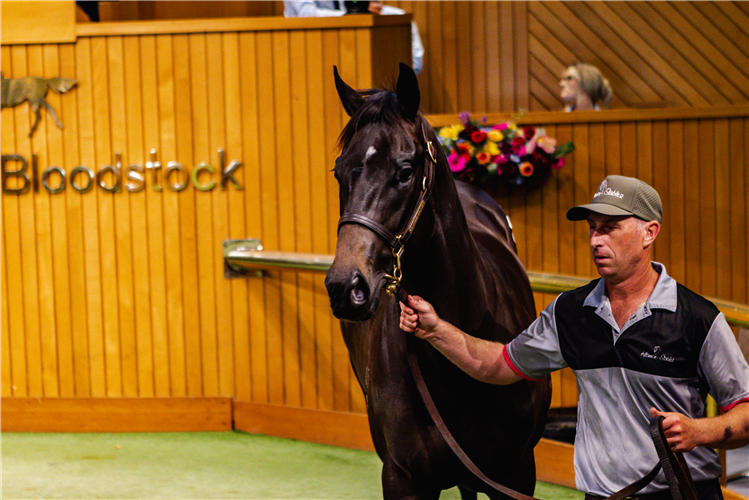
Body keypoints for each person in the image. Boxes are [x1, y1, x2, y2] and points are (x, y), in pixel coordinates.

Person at [400, 174, 749, 500]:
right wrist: (435, 330)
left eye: (610, 228)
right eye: (593, 228)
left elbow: (745, 410)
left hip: (683, 493)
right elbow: (498, 364)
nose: (596, 240)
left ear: (649, 232)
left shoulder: (698, 318)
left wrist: (699, 433)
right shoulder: (569, 312)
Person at [284, 0, 424, 75]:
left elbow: (358, 4)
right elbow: (307, 14)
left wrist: (366, 9)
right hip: (308, 48)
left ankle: (403, 79)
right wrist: (353, 16)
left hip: (352, 42)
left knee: (398, 16)